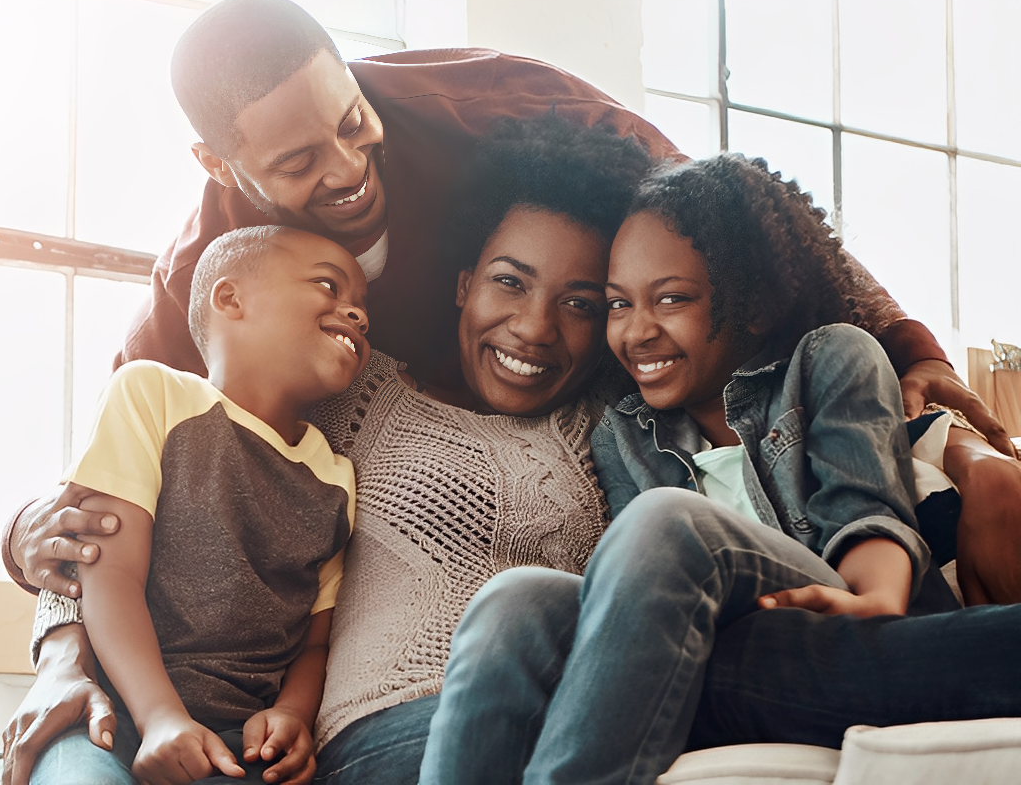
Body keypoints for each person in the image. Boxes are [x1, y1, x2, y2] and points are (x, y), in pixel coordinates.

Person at [1, 0, 1021, 783]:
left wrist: (908, 353)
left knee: (567, 600)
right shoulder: (247, 304)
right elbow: (117, 494)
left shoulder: (497, 124)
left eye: (352, 122)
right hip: (405, 708)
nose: (352, 165)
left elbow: (736, 220)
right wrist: (52, 625)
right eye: (304, 159)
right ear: (220, 159)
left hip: (588, 653)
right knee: (531, 604)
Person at [419, 154, 1021, 785]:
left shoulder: (829, 359)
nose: (637, 331)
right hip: (721, 641)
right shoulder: (622, 431)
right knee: (513, 603)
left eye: (672, 299)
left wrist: (875, 599)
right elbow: (637, 594)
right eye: (618, 305)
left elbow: (866, 511)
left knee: (668, 522)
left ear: (751, 306)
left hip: (838, 605)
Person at [29, 226, 369, 785]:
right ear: (230, 298)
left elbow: (316, 642)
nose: (355, 313)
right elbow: (107, 575)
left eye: (361, 306)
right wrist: (161, 718)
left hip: (240, 745)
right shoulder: (152, 393)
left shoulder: (336, 477)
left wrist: (291, 714)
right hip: (111, 717)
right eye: (329, 287)